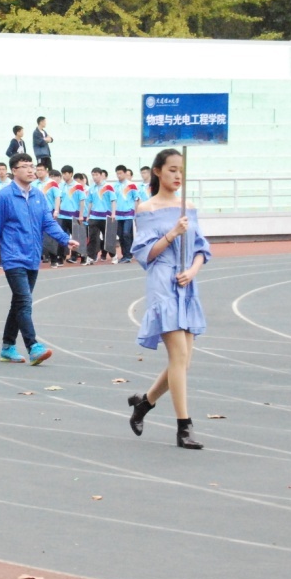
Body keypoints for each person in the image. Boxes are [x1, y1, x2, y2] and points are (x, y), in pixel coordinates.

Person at [127, 148, 211, 450]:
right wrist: (173, 233)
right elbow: (145, 254)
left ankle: (144, 403)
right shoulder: (146, 209)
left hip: (187, 283)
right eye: (172, 169)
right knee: (178, 357)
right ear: (158, 171)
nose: (178, 175)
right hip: (163, 282)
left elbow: (201, 247)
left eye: (181, 170)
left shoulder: (188, 206)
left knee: (184, 362)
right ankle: (183, 427)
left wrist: (193, 270)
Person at [0, 153, 76, 366]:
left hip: (32, 256)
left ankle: (7, 347)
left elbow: (47, 222)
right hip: (13, 256)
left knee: (18, 302)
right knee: (24, 301)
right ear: (14, 170)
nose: (31, 170)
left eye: (32, 166)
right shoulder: (4, 197)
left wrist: (64, 239)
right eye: (25, 166)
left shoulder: (38, 196)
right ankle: (33, 346)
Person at [85, 167, 117, 264]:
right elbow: (90, 202)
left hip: (106, 216)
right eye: (93, 175)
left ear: (101, 175)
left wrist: (113, 214)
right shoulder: (91, 188)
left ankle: (113, 255)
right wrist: (88, 215)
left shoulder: (108, 187)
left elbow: (113, 200)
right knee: (92, 237)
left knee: (108, 238)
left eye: (96, 175)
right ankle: (91, 257)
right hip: (94, 216)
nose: (94, 177)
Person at [114, 165, 141, 263]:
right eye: (117, 173)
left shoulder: (131, 185)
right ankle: (124, 255)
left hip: (128, 214)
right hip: (118, 214)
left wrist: (137, 212)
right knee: (120, 235)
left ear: (125, 173)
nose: (119, 175)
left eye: (120, 173)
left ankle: (128, 255)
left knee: (126, 233)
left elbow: (137, 199)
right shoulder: (115, 186)